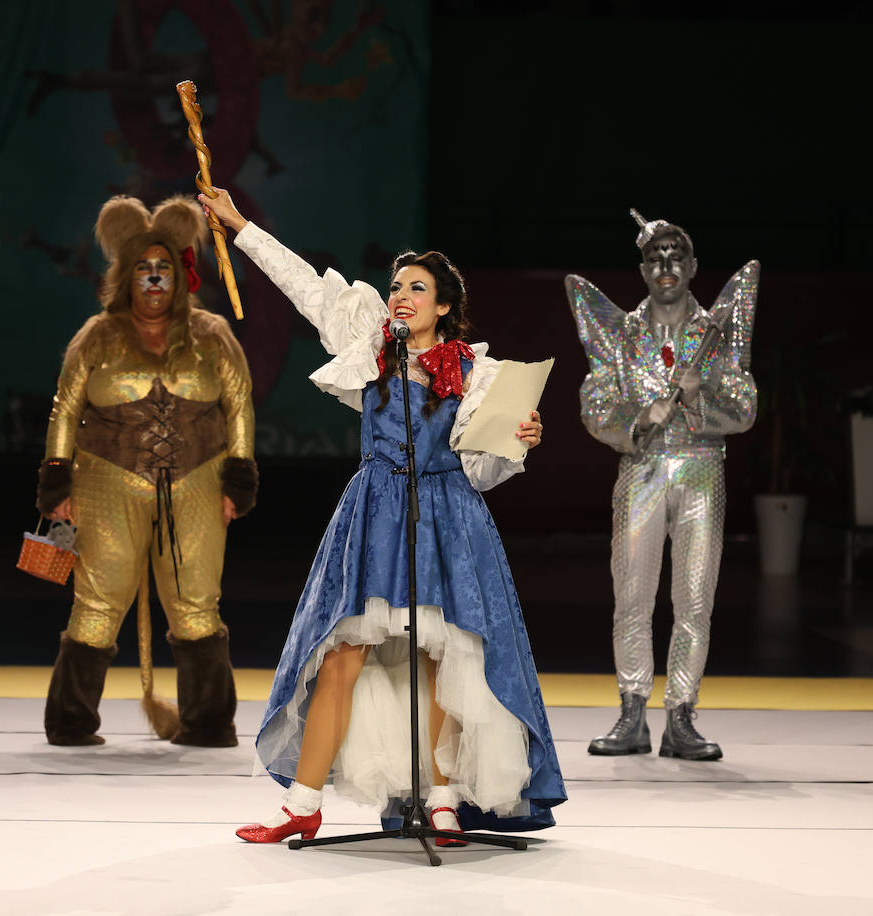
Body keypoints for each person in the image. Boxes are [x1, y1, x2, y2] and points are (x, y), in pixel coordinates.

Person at [195, 188, 566, 844]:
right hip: (375, 515)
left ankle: (443, 800)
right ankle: (302, 803)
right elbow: (304, 287)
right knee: (343, 655)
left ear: (444, 306)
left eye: (417, 288)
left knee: (441, 659)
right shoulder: (368, 343)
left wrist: (518, 442)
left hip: (446, 518)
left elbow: (481, 471)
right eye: (397, 286)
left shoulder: (476, 372)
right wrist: (240, 224)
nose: (400, 296)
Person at [36, 194, 257, 748]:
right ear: (125, 276)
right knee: (96, 602)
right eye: (143, 268)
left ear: (179, 276)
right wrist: (57, 480)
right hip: (107, 483)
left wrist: (238, 477)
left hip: (198, 482)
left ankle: (207, 721)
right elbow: (65, 409)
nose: (154, 278)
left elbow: (239, 405)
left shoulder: (212, 335)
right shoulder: (97, 336)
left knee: (197, 604)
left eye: (163, 268)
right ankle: (70, 720)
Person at [567, 210, 758, 760]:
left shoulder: (715, 332)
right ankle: (632, 712)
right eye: (655, 257)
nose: (666, 265)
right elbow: (595, 402)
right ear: (643, 270)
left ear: (693, 266)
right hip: (642, 470)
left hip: (701, 470)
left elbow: (744, 407)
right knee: (632, 595)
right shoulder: (621, 335)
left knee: (694, 598)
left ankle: (681, 715)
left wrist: (698, 398)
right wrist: (638, 420)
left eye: (676, 256)